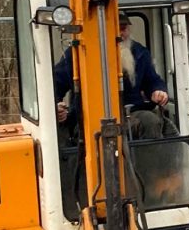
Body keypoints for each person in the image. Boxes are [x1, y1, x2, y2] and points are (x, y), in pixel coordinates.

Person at [53, 11, 177, 139]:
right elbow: (55, 84)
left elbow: (152, 80)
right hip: (89, 117)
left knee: (150, 121)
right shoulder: (76, 55)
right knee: (90, 134)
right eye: (113, 28)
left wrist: (158, 91)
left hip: (132, 113)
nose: (119, 34)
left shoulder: (139, 53)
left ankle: (149, 159)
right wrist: (56, 106)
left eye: (123, 29)